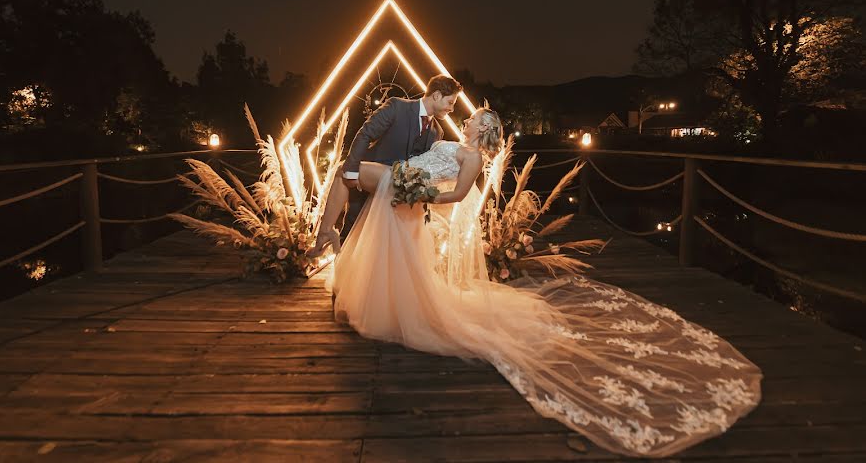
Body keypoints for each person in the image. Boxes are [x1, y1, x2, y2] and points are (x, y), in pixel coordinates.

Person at [319, 106, 763, 458]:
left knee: (349, 173)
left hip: (414, 192)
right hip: (408, 187)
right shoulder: (451, 141)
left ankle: (329, 238)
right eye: (471, 117)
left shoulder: (472, 157)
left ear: (482, 130)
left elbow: (455, 194)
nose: (469, 118)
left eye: (475, 119)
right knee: (352, 177)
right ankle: (335, 240)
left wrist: (421, 191)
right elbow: (429, 156)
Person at [308, 74, 461, 257]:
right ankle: (339, 274)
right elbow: (365, 134)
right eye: (450, 102)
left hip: (398, 198)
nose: (452, 109)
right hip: (369, 183)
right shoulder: (397, 106)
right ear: (436, 95)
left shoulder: (437, 132)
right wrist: (351, 171)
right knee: (351, 234)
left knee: (384, 250)